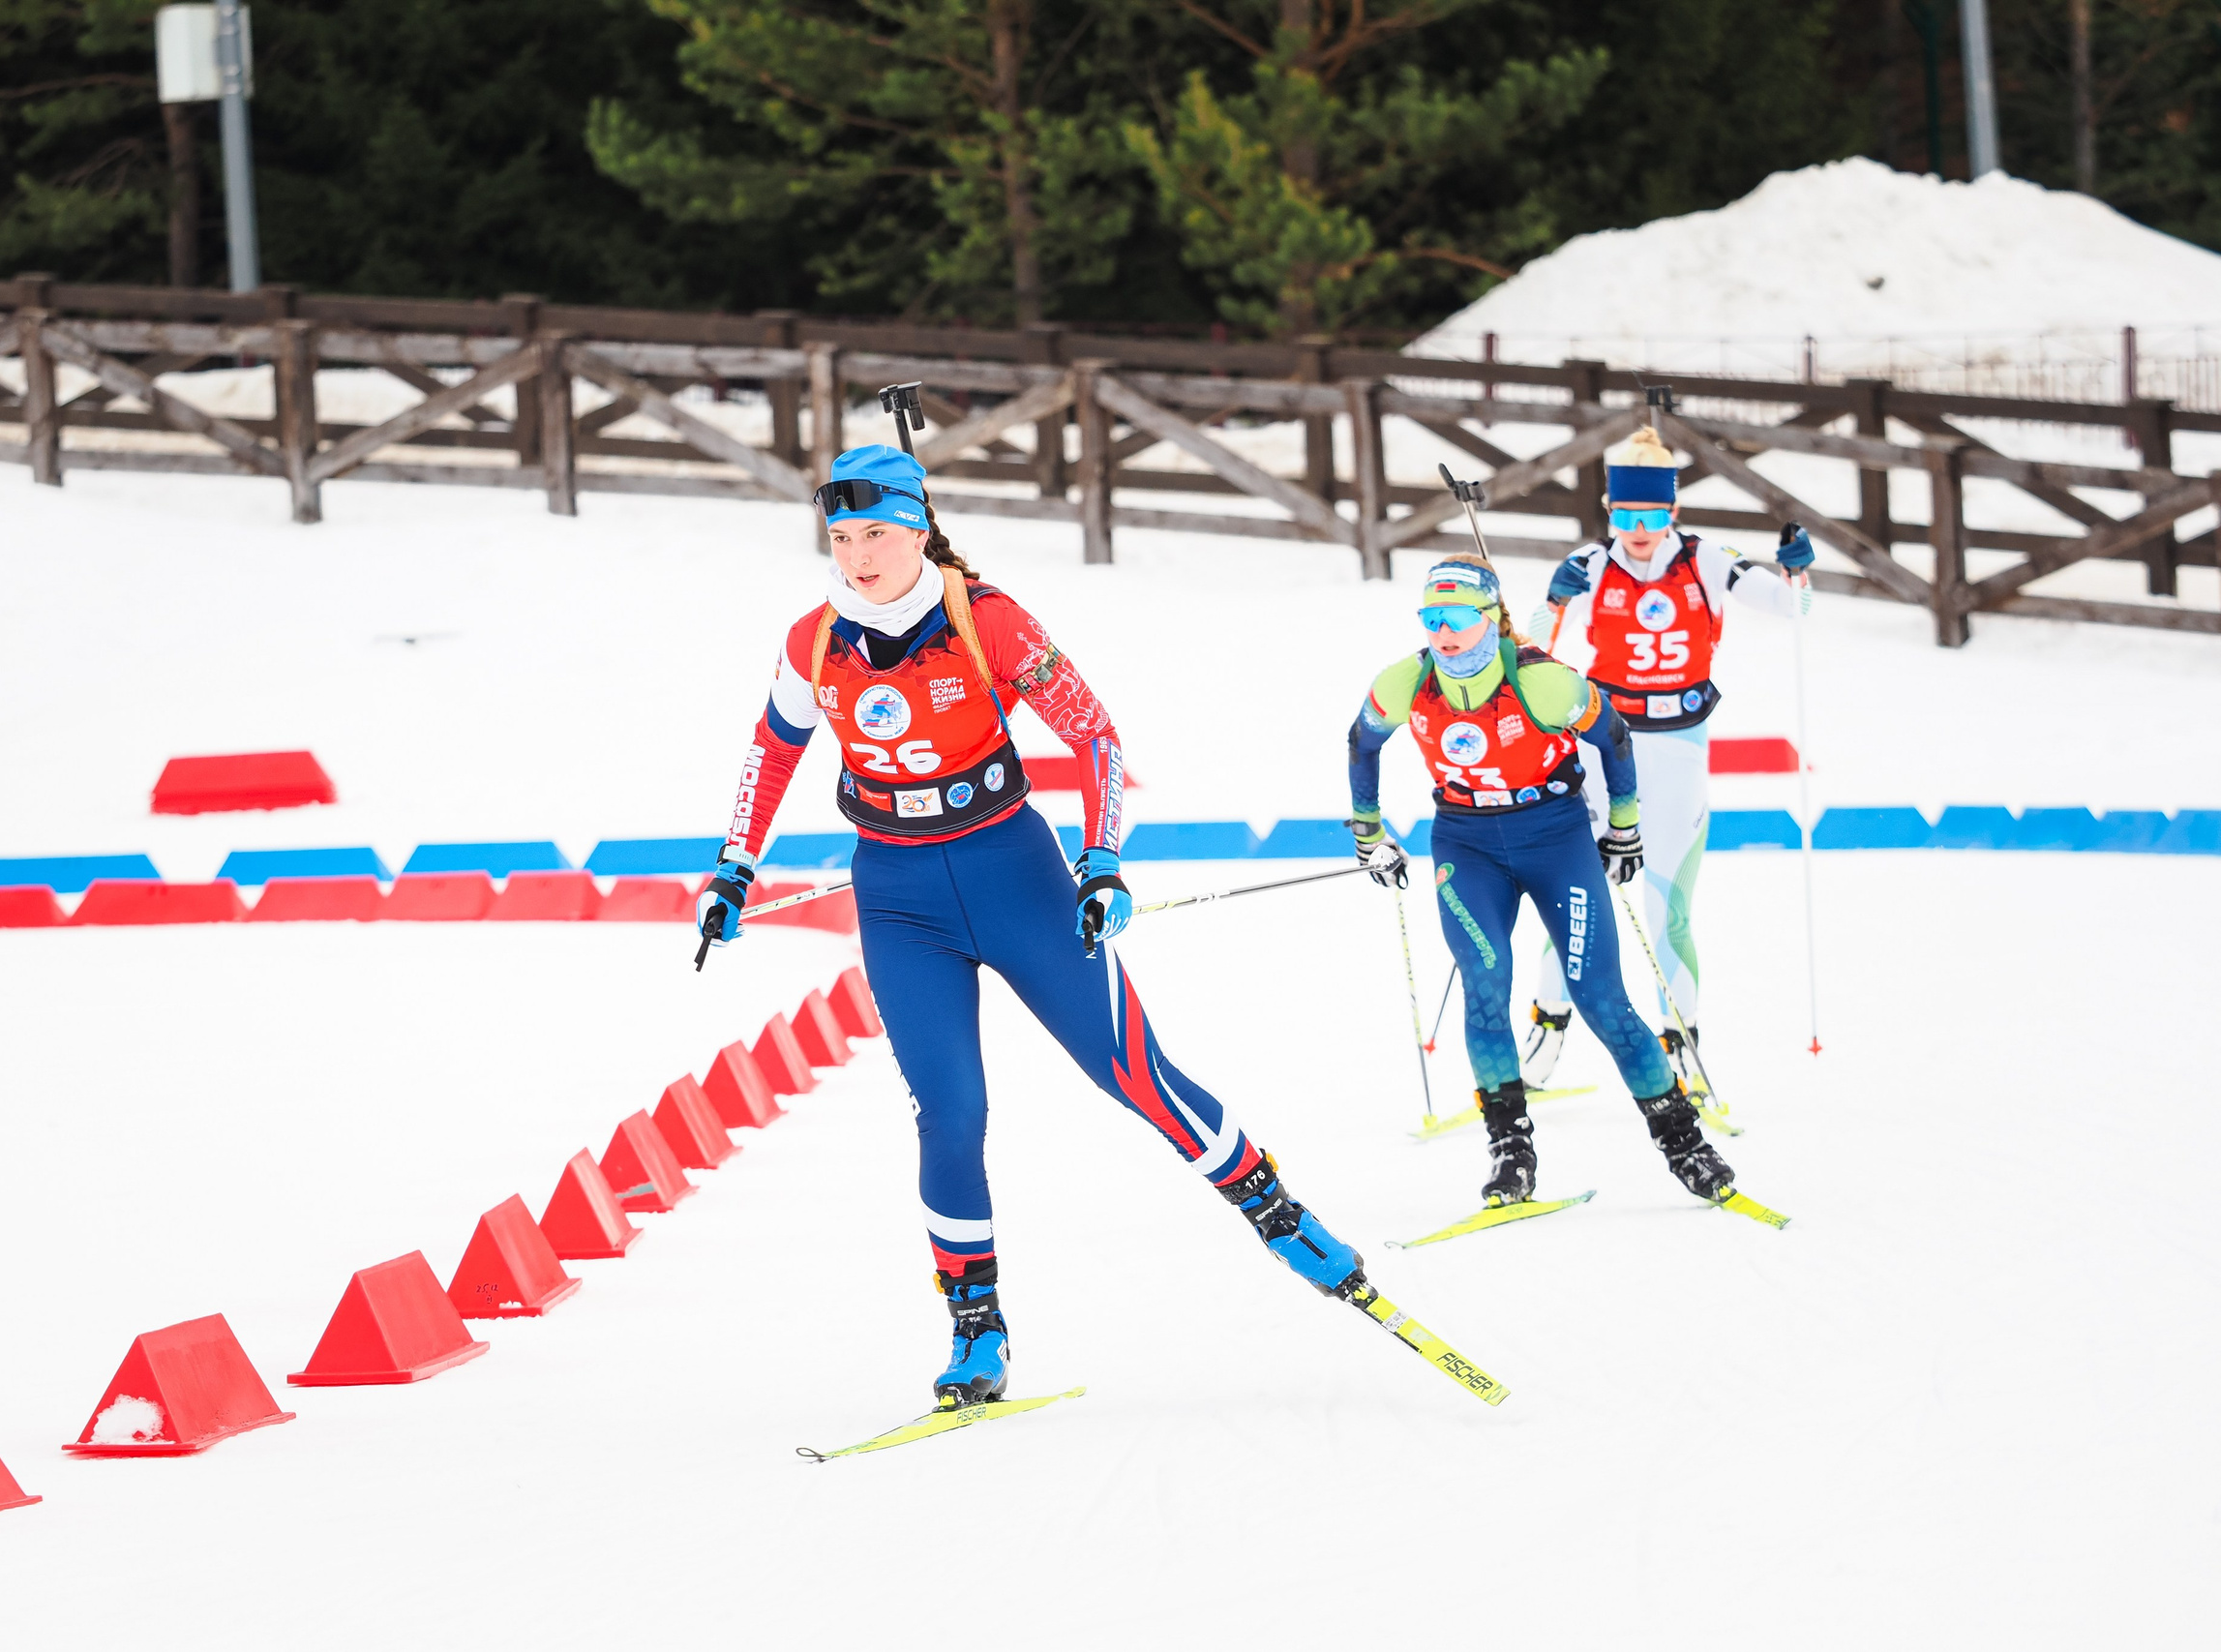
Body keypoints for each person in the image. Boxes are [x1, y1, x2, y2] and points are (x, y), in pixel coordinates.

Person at [701, 442, 1381, 1407]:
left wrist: (1100, 862)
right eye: (841, 534)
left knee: (1131, 1072)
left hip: (1014, 875)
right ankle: (976, 1329)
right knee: (950, 1113)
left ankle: (1277, 1213)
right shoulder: (813, 640)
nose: (857, 554)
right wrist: (734, 865)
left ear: (918, 527)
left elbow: (1094, 736)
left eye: (878, 533)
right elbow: (769, 754)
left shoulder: (988, 621)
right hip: (897, 899)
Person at [1344, 554, 1736, 1209]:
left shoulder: (1543, 681)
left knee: (1601, 997)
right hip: (1466, 844)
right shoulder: (1405, 681)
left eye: (1459, 618)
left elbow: (1613, 736)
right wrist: (1367, 831)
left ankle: (1683, 1142)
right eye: (1431, 617)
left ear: (1490, 617)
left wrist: (1625, 825)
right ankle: (1511, 1151)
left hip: (1555, 837)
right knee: (1486, 984)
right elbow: (1361, 740)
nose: (1443, 633)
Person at [1516, 427, 1814, 1095]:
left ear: (1673, 511)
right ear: (1609, 510)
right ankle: (1547, 1028)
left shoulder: (1707, 559)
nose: (1637, 530)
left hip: (1679, 748)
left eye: (1651, 516)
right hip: (1605, 750)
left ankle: (1681, 1045)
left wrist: (1797, 568)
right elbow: (1532, 645)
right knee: (1579, 895)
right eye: (1624, 516)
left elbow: (1793, 605)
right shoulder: (1592, 561)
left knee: (1668, 904)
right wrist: (1555, 598)